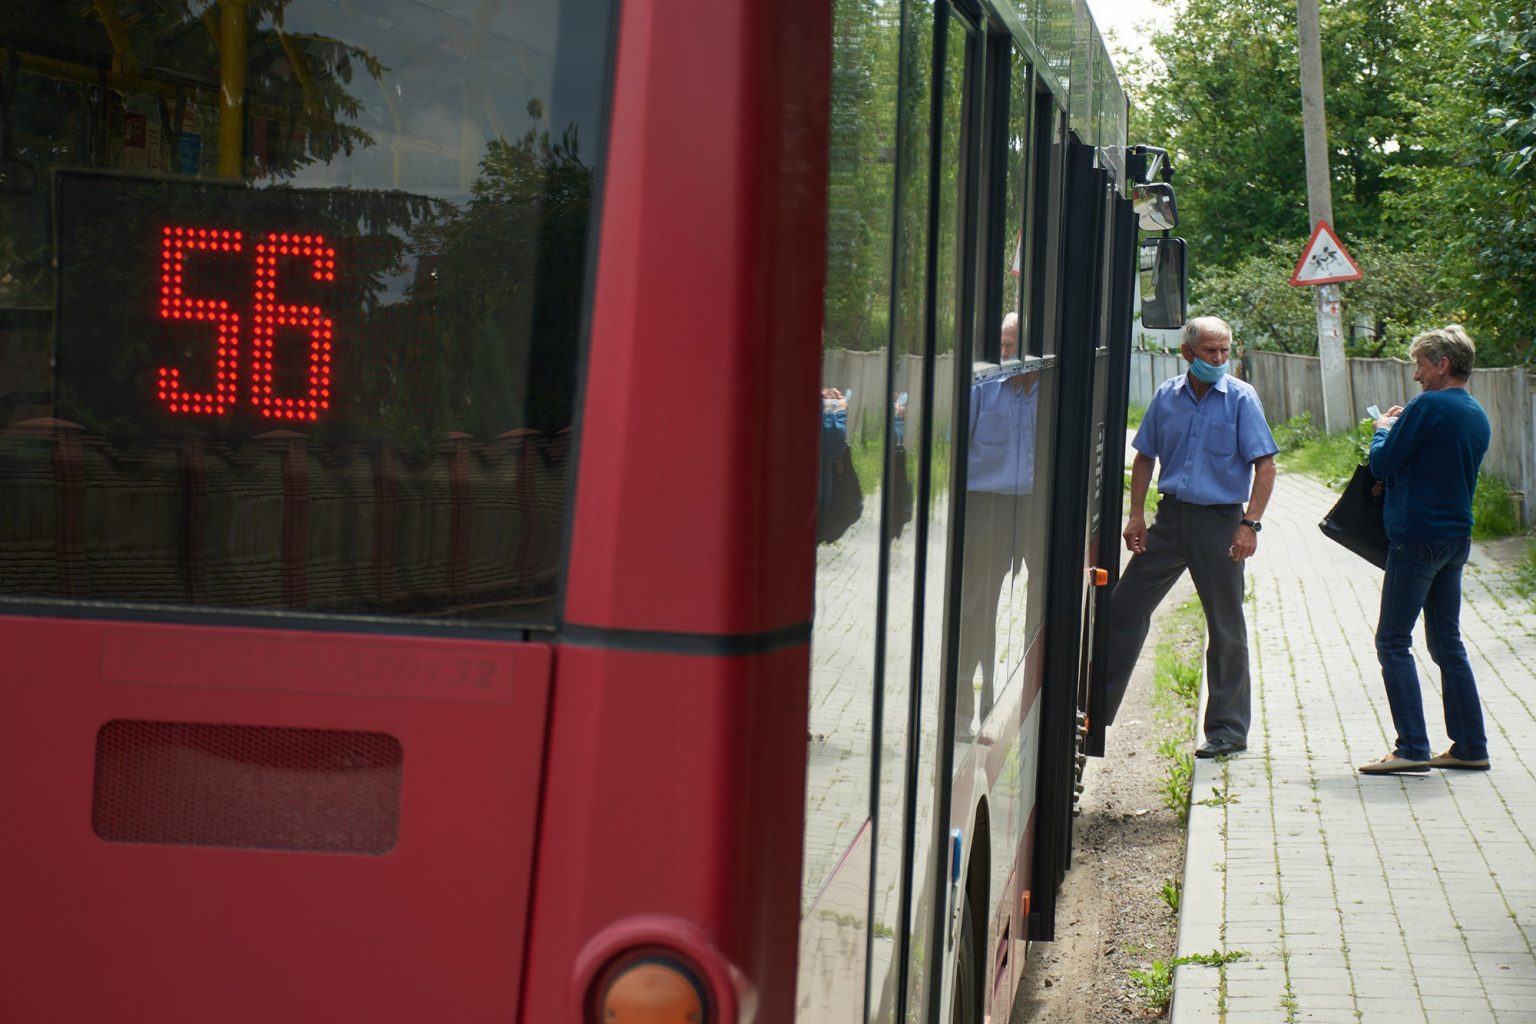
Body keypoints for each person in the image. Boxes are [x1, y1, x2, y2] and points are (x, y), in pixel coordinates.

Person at [1100, 316, 1278, 758]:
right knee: (1124, 607)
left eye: (1224, 351)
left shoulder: (1241, 398)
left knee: (1225, 626)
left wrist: (1250, 524)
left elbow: (1266, 464)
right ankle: (1095, 708)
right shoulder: (1167, 395)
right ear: (1187, 353)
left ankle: (1227, 731)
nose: (1218, 359)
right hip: (1171, 519)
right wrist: (1136, 516)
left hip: (1220, 523)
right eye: (1209, 352)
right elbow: (1144, 457)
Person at [1357, 325, 1492, 775]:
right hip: (1456, 539)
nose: (1416, 375)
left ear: (1443, 364)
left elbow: (1382, 463)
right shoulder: (1475, 412)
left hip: (1416, 538)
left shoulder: (1428, 405)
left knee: (1392, 641)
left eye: (1420, 365)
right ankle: (1470, 746)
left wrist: (1382, 430)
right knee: (1447, 643)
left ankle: (1412, 746)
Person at [956, 312, 1039, 736]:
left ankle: (1032, 709)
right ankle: (960, 715)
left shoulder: (1050, 391)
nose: (1004, 354)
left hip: (1034, 509)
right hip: (985, 508)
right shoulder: (981, 387)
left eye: (1012, 346)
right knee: (975, 607)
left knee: (1045, 602)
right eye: (1002, 345)